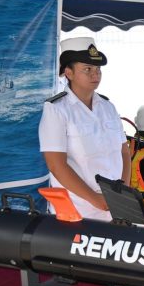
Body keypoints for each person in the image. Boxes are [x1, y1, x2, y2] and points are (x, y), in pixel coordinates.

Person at [39, 37, 131, 221]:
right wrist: (96, 200)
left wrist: (123, 191)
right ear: (69, 73)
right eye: (87, 69)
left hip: (115, 207)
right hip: (78, 211)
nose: (95, 75)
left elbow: (124, 152)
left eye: (98, 69)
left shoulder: (108, 107)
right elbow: (56, 165)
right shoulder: (56, 110)